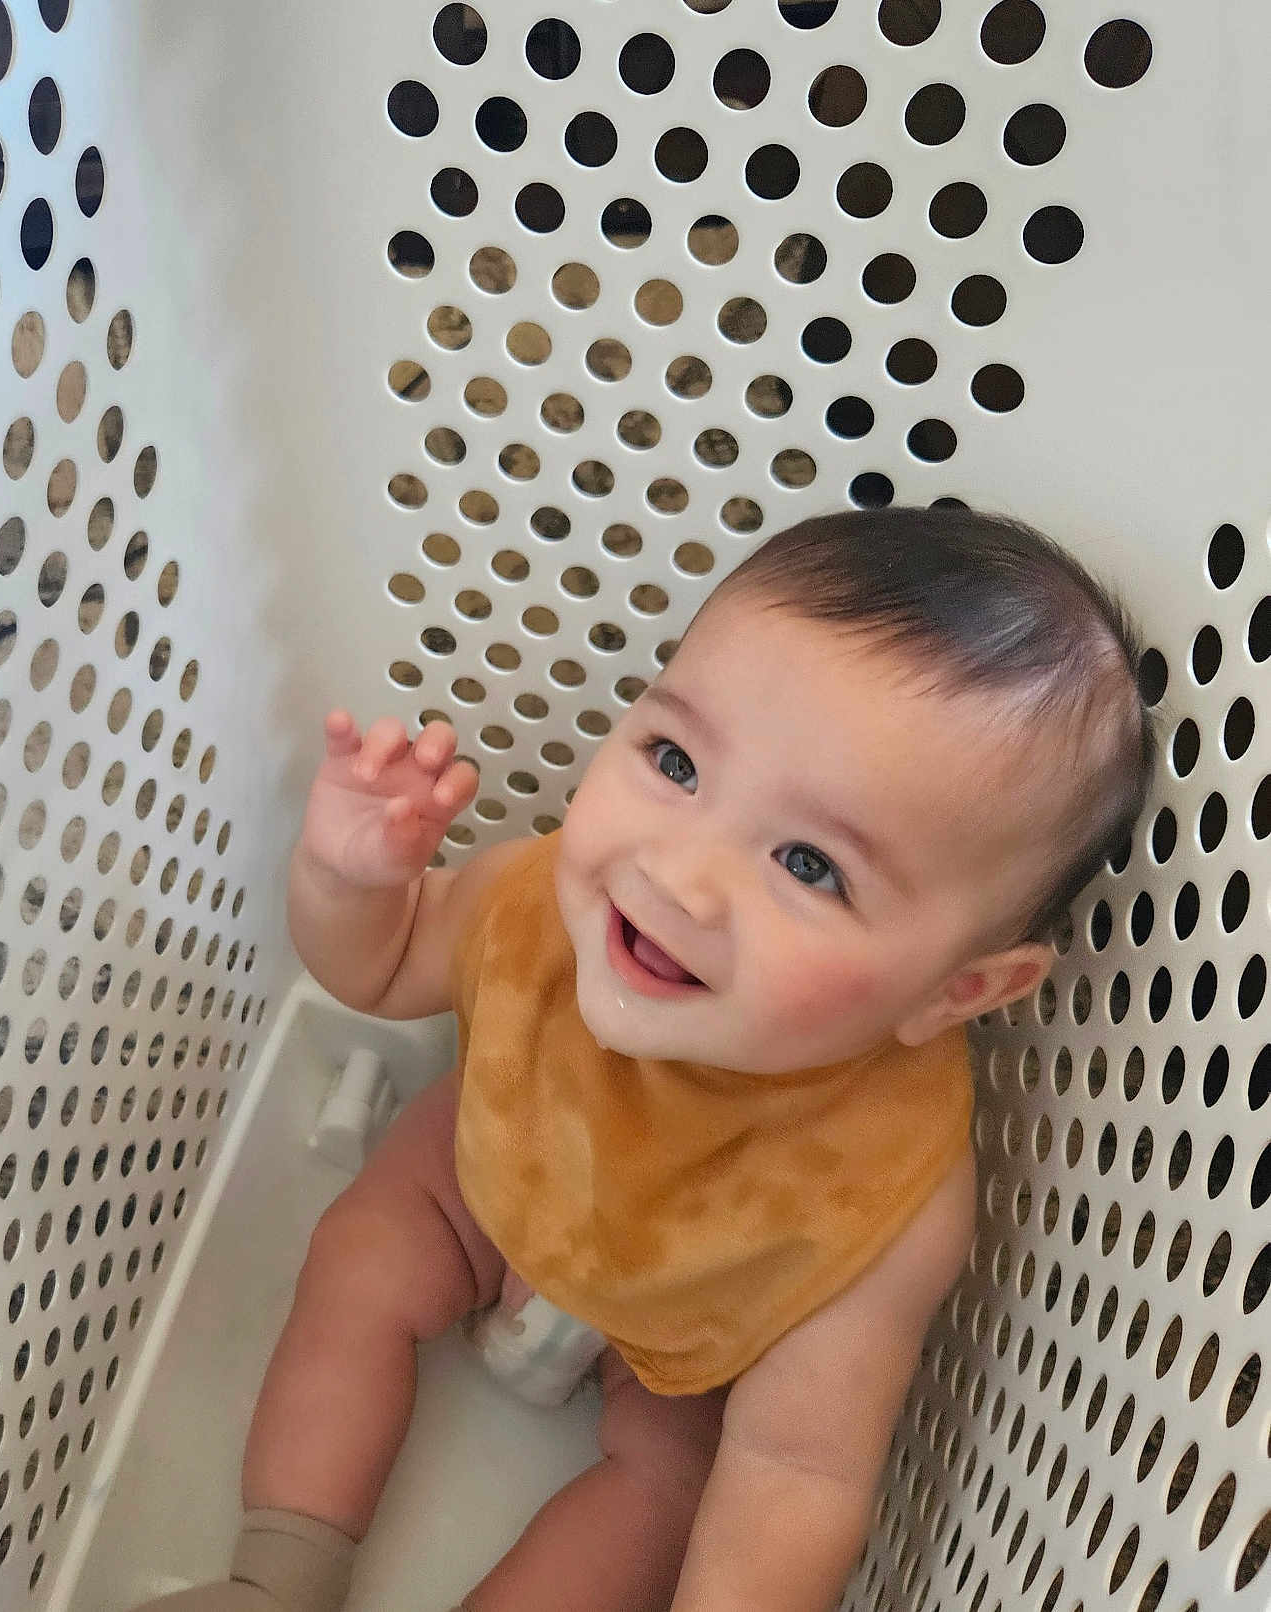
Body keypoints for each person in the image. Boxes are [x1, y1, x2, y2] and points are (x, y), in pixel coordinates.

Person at [142, 507, 1156, 1612]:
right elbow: (378, 970)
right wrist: (350, 882)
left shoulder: (883, 1197)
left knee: (676, 1489)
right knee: (364, 1252)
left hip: (685, 1339)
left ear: (954, 992)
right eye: (675, 761)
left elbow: (797, 1473)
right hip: (486, 1178)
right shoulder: (536, 901)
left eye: (809, 865)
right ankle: (276, 1577)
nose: (679, 874)